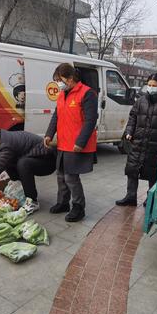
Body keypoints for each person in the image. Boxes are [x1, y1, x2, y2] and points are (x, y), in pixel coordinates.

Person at [116, 73, 157, 206]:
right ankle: (130, 196)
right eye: (149, 85)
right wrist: (129, 131)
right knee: (132, 170)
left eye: (154, 85)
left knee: (153, 173)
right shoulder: (141, 101)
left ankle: (150, 199)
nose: (151, 88)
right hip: (138, 142)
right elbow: (133, 117)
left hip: (156, 145)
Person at [44, 63, 98, 222]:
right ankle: (63, 203)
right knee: (60, 175)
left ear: (70, 78)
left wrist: (80, 142)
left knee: (71, 178)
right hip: (63, 143)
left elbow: (90, 120)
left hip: (76, 145)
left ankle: (78, 207)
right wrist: (49, 134)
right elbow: (57, 115)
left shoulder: (87, 93)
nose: (58, 83)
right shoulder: (62, 94)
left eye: (59, 80)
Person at [0, 127, 56, 213]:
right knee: (10, 162)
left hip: (47, 161)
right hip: (30, 156)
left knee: (22, 164)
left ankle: (32, 201)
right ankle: (21, 191)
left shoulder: (7, 146)